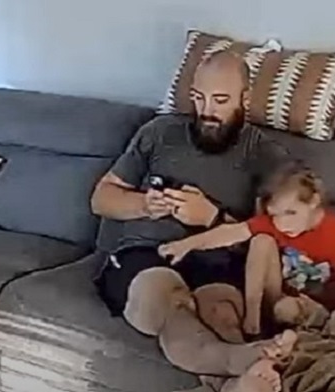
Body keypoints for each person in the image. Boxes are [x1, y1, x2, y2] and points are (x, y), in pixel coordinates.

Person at [90, 50, 295, 391]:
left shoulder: (266, 156)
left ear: (246, 98)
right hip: (146, 256)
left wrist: (212, 217)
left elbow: (272, 242)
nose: (207, 112)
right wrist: (146, 204)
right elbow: (102, 198)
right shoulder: (159, 132)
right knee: (171, 301)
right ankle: (240, 361)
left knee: (223, 315)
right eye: (199, 98)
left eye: (220, 100)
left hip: (218, 261)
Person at [158, 162, 335, 334]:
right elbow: (231, 233)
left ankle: (271, 330)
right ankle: (253, 317)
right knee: (261, 240)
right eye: (275, 215)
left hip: (315, 310)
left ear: (313, 201)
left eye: (291, 213)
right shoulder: (274, 225)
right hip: (275, 296)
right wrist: (186, 244)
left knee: (286, 310)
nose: (282, 224)